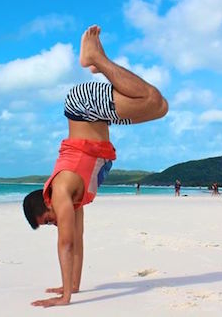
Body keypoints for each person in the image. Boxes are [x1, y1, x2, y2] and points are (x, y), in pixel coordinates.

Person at [22, 25, 168, 308]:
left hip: (81, 106)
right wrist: (71, 287)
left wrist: (64, 300)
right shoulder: (71, 200)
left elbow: (65, 244)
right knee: (160, 107)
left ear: (45, 201)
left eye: (48, 220)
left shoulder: (60, 192)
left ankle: (97, 59)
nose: (55, 223)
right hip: (93, 117)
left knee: (151, 99)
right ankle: (96, 59)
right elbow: (77, 239)